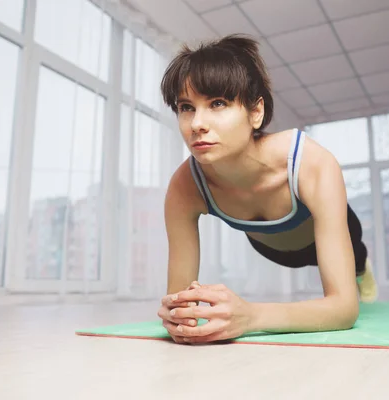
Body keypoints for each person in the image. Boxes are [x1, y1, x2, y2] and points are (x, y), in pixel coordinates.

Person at [156, 34, 377, 345]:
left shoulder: (311, 162)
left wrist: (251, 317)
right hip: (272, 246)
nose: (197, 124)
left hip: (324, 230)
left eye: (217, 103)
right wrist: (179, 317)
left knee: (354, 254)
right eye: (186, 107)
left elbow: (344, 310)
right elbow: (179, 300)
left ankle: (360, 267)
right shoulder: (184, 187)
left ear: (255, 112)